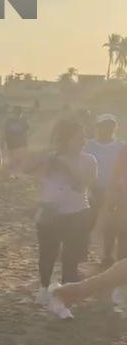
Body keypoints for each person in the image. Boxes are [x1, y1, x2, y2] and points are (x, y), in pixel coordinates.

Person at [26, 119, 98, 316]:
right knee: (47, 253)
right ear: (67, 139)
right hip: (50, 213)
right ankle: (43, 289)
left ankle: (65, 299)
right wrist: (47, 156)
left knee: (70, 257)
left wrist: (66, 166)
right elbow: (27, 169)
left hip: (77, 213)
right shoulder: (52, 158)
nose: (83, 140)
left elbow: (84, 184)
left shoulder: (89, 159)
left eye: (84, 136)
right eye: (79, 136)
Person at [85, 115, 125, 267]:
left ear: (115, 128)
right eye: (103, 125)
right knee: (90, 222)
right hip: (94, 189)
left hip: (115, 190)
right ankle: (82, 250)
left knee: (112, 224)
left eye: (110, 125)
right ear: (98, 127)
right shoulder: (89, 145)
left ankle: (108, 254)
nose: (107, 129)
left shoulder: (121, 146)